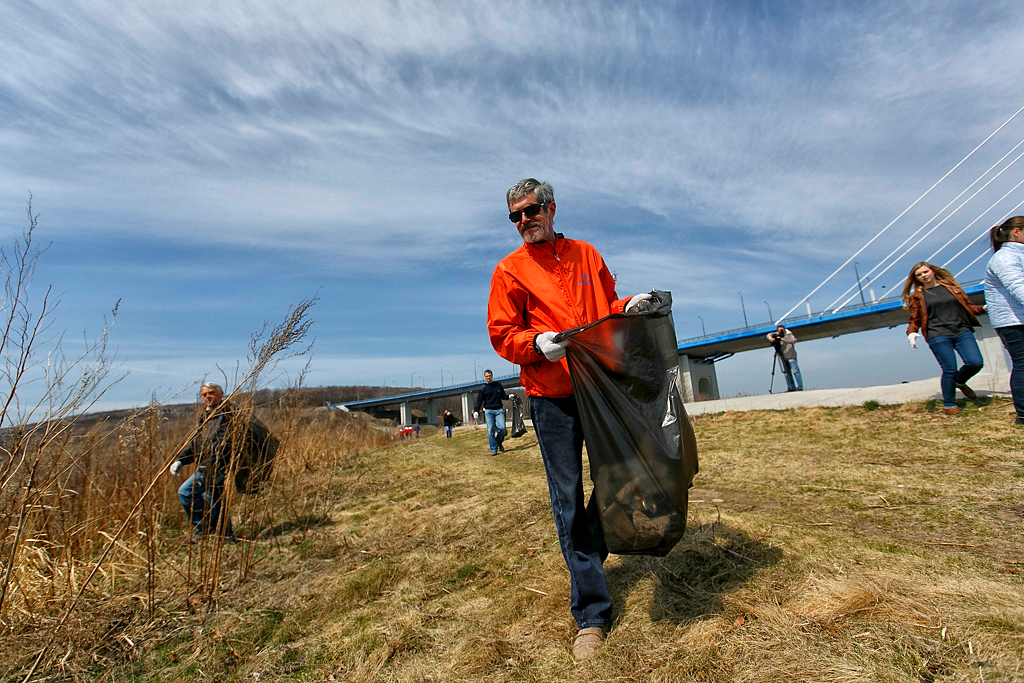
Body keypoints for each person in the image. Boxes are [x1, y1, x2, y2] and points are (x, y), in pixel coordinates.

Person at [486, 178, 653, 661]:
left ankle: (587, 553)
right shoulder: (509, 271)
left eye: (531, 210)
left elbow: (607, 306)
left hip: (600, 388)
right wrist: (536, 344)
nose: (524, 221)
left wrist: (630, 307)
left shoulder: (586, 254)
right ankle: (592, 613)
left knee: (624, 475)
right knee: (566, 497)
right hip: (550, 397)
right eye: (515, 216)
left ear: (551, 208)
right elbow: (503, 334)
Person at [903, 261, 985, 415]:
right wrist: (911, 333)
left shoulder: (951, 287)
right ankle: (950, 405)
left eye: (926, 272)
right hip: (938, 335)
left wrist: (983, 308)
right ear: (916, 278)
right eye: (919, 275)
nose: (924, 276)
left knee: (975, 362)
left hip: (961, 330)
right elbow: (914, 319)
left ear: (933, 271)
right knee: (949, 369)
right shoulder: (917, 297)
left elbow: (969, 306)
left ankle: (960, 381)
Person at [168, 382, 237, 542]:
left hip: (216, 466)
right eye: (204, 394)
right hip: (206, 466)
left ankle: (205, 528)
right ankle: (224, 534)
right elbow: (197, 444)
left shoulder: (226, 415)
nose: (208, 397)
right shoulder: (206, 417)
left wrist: (211, 464)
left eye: (211, 393)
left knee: (186, 492)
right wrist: (181, 460)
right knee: (215, 499)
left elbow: (223, 443)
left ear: (221, 395)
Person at [985, 216, 1024, 424]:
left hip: (1019, 317)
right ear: (1016, 232)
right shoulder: (1005, 258)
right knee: (1023, 364)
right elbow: (1018, 287)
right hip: (1012, 321)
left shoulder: (1017, 255)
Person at [473, 370, 510, 455]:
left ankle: (498, 441)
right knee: (490, 431)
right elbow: (479, 400)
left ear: (492, 376)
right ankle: (493, 449)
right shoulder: (483, 388)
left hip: (499, 410)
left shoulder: (498, 385)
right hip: (489, 411)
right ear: (485, 377)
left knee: (502, 428)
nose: (488, 377)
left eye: (489, 376)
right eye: (486, 376)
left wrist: (509, 396)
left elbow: (503, 396)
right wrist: (476, 410)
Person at [766, 325, 802, 391]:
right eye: (779, 330)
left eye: (782, 330)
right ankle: (791, 387)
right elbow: (769, 334)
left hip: (791, 355)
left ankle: (800, 387)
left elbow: (794, 340)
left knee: (795, 371)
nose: (781, 331)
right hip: (783, 356)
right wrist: (770, 338)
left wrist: (782, 339)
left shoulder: (789, 334)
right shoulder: (777, 334)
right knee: (786, 372)